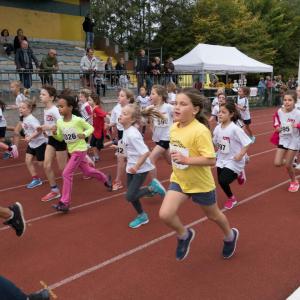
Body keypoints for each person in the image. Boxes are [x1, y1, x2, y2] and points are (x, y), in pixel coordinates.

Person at [159, 88, 239, 261]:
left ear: (194, 110)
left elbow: (211, 160)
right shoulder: (174, 128)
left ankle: (230, 236)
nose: (176, 107)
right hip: (180, 179)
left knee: (213, 215)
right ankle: (184, 234)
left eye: (183, 104)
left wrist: (186, 160)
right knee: (165, 214)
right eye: (175, 103)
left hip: (200, 183)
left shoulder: (200, 131)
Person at [52, 94, 112, 212]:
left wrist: (84, 134)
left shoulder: (77, 120)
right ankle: (106, 179)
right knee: (87, 171)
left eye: (62, 106)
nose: (59, 109)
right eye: (58, 106)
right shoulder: (59, 122)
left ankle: (64, 202)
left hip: (79, 150)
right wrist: (54, 133)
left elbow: (91, 128)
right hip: (71, 150)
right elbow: (60, 138)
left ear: (70, 107)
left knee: (66, 173)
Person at [119, 103, 166, 228]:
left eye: (125, 114)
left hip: (140, 169)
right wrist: (119, 149)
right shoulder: (126, 130)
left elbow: (145, 152)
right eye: (121, 113)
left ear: (133, 119)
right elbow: (126, 147)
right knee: (132, 194)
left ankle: (152, 188)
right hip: (132, 167)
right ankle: (142, 216)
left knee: (129, 196)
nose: (121, 115)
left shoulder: (133, 134)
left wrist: (136, 167)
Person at [213, 102, 251, 209]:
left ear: (231, 114)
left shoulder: (235, 129)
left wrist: (241, 154)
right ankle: (232, 198)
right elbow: (215, 142)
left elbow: (247, 142)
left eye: (223, 112)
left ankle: (239, 173)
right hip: (221, 158)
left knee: (223, 180)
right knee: (220, 181)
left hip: (234, 159)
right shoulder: (217, 128)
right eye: (219, 112)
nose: (220, 114)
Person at [38, 85, 68, 202]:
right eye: (40, 94)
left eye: (43, 94)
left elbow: (63, 124)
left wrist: (49, 127)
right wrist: (45, 130)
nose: (40, 96)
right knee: (46, 165)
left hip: (60, 140)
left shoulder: (55, 110)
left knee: (63, 169)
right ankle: (54, 190)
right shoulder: (46, 110)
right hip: (51, 139)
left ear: (51, 97)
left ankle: (67, 190)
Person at [273, 90, 300, 192]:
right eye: (285, 100)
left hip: (294, 140)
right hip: (283, 139)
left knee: (288, 165)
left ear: (295, 101)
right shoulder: (280, 111)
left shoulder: (298, 113)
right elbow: (276, 121)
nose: (287, 102)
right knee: (277, 163)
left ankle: (294, 181)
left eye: (290, 100)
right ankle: (290, 160)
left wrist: (297, 125)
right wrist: (277, 127)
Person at [109, 89, 135, 191]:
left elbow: (139, 122)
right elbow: (113, 122)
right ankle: (118, 181)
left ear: (128, 99)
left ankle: (149, 178)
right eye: (119, 95)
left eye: (122, 95)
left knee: (135, 158)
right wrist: (108, 125)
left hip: (131, 136)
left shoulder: (132, 109)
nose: (119, 97)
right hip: (121, 136)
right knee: (120, 157)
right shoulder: (116, 108)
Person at [20, 98, 48, 189]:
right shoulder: (23, 118)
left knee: (42, 164)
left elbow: (39, 130)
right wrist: (26, 136)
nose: (20, 109)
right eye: (20, 107)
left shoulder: (32, 119)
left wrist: (30, 137)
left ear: (29, 109)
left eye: (23, 108)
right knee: (28, 160)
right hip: (32, 144)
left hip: (40, 143)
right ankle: (36, 179)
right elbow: (27, 129)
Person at [149, 85, 173, 179]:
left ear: (160, 96)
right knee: (170, 161)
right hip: (157, 138)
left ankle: (154, 184)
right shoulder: (151, 108)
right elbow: (148, 121)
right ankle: (184, 174)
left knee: (151, 159)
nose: (150, 95)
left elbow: (179, 117)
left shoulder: (168, 107)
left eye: (152, 93)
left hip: (166, 138)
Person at [88, 93, 107, 162]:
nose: (88, 102)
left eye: (90, 100)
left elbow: (104, 114)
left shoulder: (97, 109)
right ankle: (96, 157)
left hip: (100, 131)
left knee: (99, 146)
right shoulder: (93, 108)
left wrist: (110, 122)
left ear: (95, 101)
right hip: (95, 130)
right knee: (92, 144)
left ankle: (113, 142)